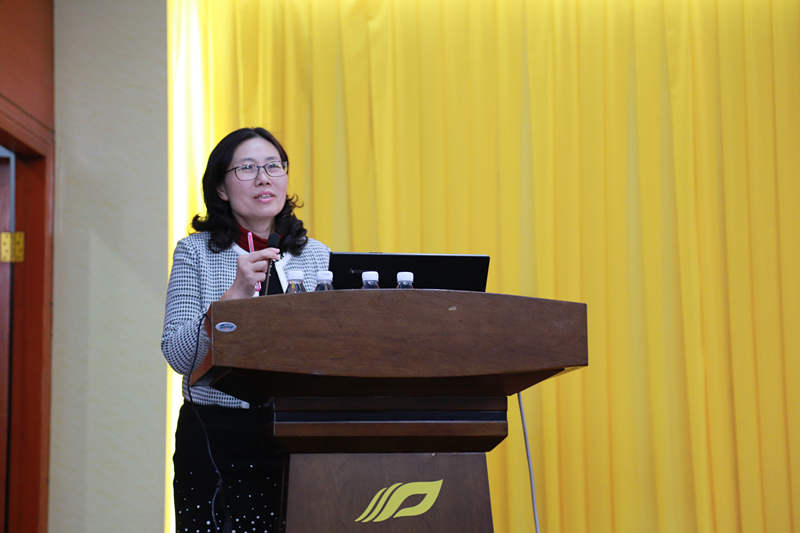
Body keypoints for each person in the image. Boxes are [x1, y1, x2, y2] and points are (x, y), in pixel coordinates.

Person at [161, 127, 330, 533]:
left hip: (299, 433)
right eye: (248, 168)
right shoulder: (195, 252)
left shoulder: (316, 256)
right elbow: (179, 355)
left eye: (273, 166)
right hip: (215, 433)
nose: (263, 178)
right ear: (221, 188)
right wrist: (233, 296)